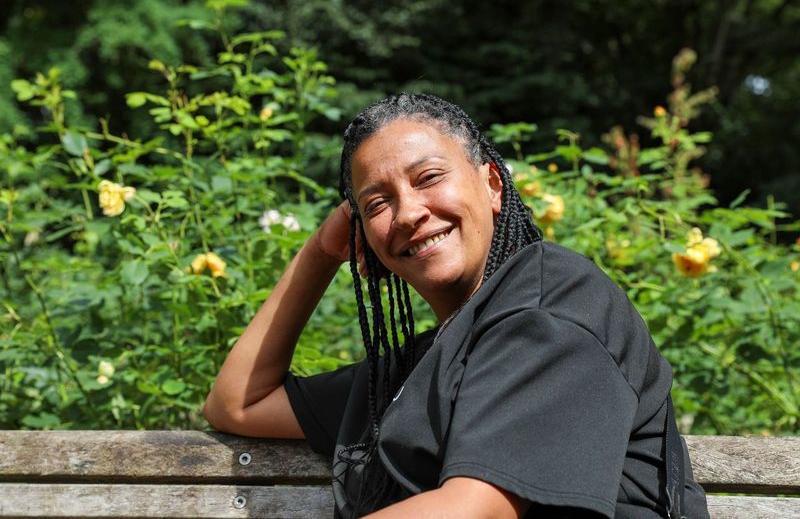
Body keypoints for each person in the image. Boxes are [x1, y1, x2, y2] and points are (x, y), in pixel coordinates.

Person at [203, 93, 710, 518]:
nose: (408, 213)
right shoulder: (416, 370)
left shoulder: (553, 303)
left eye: (427, 178)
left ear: (492, 184)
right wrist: (321, 251)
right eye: (376, 204)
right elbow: (236, 405)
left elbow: (473, 509)